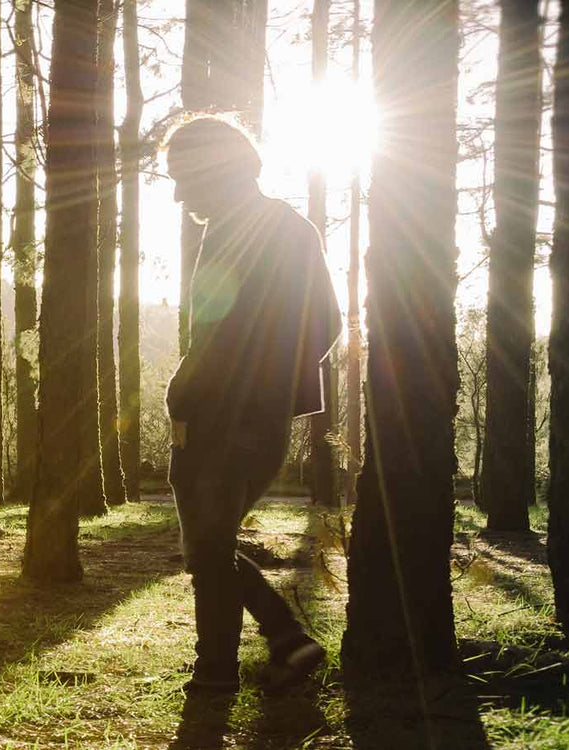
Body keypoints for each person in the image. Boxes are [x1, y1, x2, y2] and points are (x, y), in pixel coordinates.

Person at [164, 115, 342, 695]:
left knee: (206, 546)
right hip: (258, 420)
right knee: (210, 545)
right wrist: (275, 387)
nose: (178, 192)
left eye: (183, 176)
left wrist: (222, 387)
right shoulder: (292, 228)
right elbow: (328, 323)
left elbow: (218, 337)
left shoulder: (243, 231)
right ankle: (246, 656)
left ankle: (247, 654)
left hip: (220, 418)